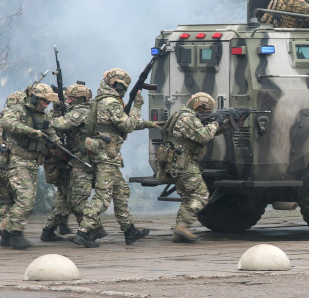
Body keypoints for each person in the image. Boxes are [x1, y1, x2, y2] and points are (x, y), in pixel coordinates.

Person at [72, 68, 159, 248]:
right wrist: (137, 106)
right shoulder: (111, 102)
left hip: (105, 154)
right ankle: (84, 231)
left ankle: (129, 230)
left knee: (120, 192)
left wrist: (149, 124)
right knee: (103, 198)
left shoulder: (104, 100)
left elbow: (119, 124)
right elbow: (127, 125)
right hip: (106, 156)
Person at [155, 92, 228, 243]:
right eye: (206, 109)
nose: (208, 112)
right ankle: (183, 226)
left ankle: (179, 231)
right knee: (200, 195)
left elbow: (202, 133)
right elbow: (203, 136)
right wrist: (216, 122)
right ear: (198, 106)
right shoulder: (188, 118)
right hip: (182, 162)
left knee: (188, 197)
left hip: (175, 162)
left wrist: (225, 124)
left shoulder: (181, 115)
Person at [0, 83, 60, 249]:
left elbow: (51, 133)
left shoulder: (44, 115)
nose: (47, 105)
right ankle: (15, 233)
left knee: (28, 202)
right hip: (17, 160)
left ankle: (7, 235)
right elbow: (7, 122)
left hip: (32, 163)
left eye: (49, 102)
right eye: (44, 101)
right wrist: (31, 131)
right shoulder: (19, 110)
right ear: (34, 98)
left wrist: (59, 146)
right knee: (26, 199)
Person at [41, 83, 95, 241]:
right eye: (67, 98)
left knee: (65, 195)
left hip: (68, 157)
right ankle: (87, 229)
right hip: (65, 158)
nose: (69, 101)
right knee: (70, 196)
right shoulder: (73, 113)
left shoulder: (74, 112)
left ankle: (51, 229)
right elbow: (57, 124)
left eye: (71, 98)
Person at [0, 91, 26, 246]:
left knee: (6, 201)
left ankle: (4, 234)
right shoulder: (10, 122)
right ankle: (7, 229)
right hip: (6, 164)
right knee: (18, 199)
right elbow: (3, 145)